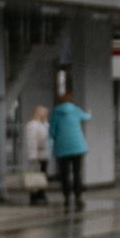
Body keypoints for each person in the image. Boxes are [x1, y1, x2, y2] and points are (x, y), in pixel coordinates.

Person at [46, 85, 89, 216]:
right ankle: (78, 198)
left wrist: (58, 138)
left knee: (64, 175)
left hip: (62, 148)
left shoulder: (56, 113)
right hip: (77, 146)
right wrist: (89, 113)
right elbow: (87, 118)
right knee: (77, 173)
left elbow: (52, 132)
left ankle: (66, 198)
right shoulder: (76, 110)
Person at [21, 104, 52, 205]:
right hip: (37, 155)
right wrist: (32, 156)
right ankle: (35, 195)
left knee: (42, 175)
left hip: (44, 154)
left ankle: (41, 194)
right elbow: (32, 142)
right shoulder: (33, 125)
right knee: (36, 176)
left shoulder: (44, 125)